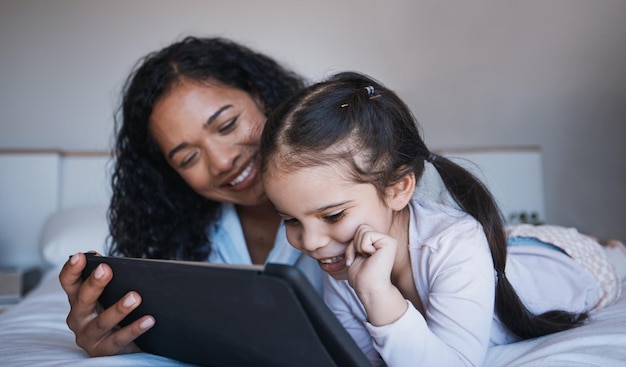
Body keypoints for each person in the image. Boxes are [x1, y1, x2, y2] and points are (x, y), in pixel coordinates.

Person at [259, 71, 623, 366]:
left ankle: (600, 246)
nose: (310, 242)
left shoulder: (453, 244)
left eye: (332, 215)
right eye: (290, 220)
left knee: (611, 258)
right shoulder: (340, 257)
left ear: (398, 189)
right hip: (496, 250)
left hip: (566, 264)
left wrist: (377, 293)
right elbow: (364, 359)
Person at [58, 36, 322, 357]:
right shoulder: (179, 249)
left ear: (260, 94)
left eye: (227, 125)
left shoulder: (367, 202)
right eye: (188, 158)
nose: (222, 162)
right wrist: (126, 339)